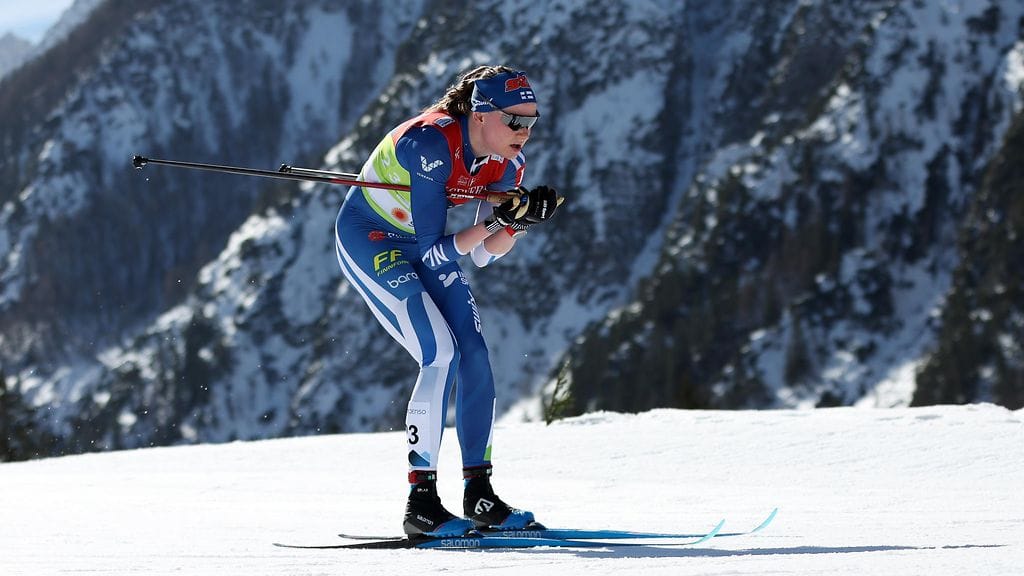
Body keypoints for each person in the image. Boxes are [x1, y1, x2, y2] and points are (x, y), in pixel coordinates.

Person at [333, 65, 562, 537]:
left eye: (532, 121)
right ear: (480, 114)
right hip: (373, 239)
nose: (525, 132)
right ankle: (421, 504)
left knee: (475, 354)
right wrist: (502, 221)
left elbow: (481, 254)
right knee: (440, 351)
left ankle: (479, 493)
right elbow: (438, 249)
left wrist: (517, 223)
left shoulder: (508, 161)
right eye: (515, 121)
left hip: (428, 246)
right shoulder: (429, 144)